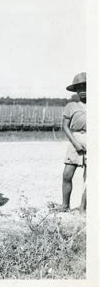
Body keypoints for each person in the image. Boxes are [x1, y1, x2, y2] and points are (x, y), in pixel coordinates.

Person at [61, 72, 86, 212]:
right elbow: (65, 126)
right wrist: (75, 143)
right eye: (79, 87)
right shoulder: (71, 106)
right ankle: (65, 206)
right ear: (75, 90)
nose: (83, 90)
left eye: (86, 87)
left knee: (88, 178)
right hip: (74, 140)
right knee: (67, 175)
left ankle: (83, 208)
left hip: (92, 141)